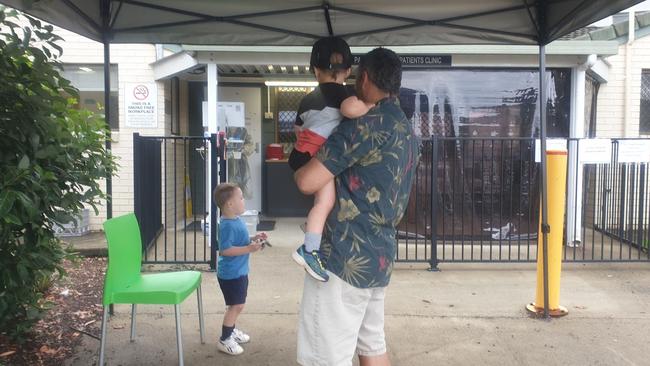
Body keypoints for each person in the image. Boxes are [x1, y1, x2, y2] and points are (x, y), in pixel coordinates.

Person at [294, 47, 420, 366]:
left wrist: (296, 156)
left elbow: (307, 182)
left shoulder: (364, 125)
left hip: (342, 257)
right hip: (379, 256)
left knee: (325, 356)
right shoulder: (404, 128)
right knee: (372, 344)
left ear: (363, 77)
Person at [289, 36, 373, 283]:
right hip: (318, 155)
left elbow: (297, 128)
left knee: (320, 202)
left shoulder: (307, 98)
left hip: (302, 153)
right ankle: (309, 249)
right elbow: (350, 110)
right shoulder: (346, 94)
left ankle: (313, 227)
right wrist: (369, 103)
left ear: (315, 70)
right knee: (325, 202)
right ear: (347, 70)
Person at [213, 183, 267, 356]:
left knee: (236, 304)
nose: (244, 201)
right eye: (241, 198)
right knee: (236, 306)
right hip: (231, 274)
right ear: (230, 204)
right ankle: (225, 339)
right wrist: (249, 249)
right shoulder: (227, 225)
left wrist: (254, 237)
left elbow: (240, 239)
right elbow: (225, 250)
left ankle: (231, 330)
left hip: (239, 271)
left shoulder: (235, 220)